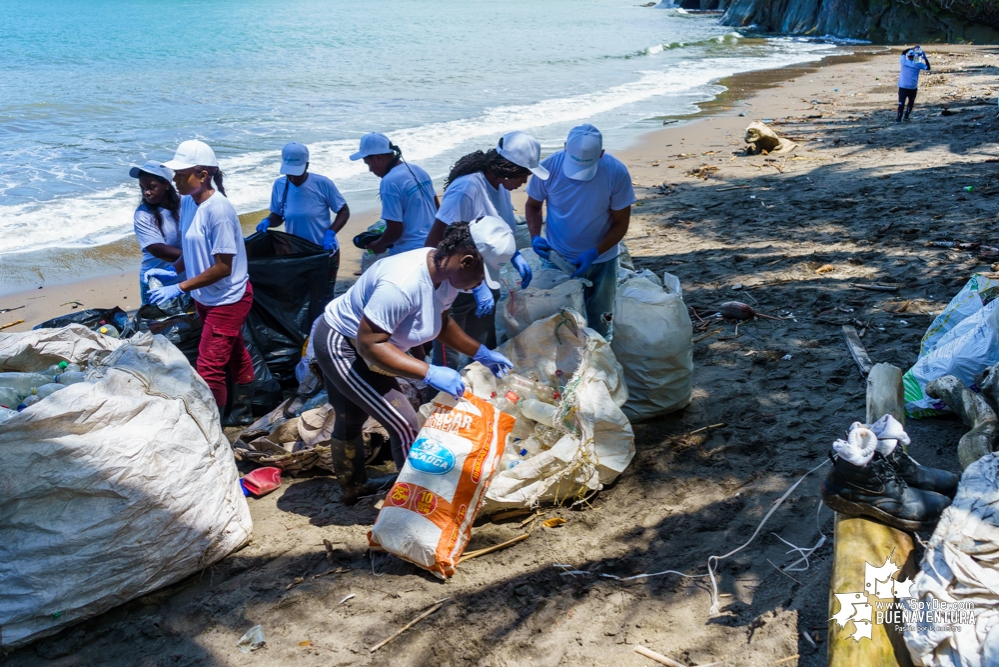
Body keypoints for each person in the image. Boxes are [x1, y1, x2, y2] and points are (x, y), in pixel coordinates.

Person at [316, 216, 516, 503]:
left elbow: (441, 322)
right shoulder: (403, 283)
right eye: (481, 277)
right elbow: (370, 344)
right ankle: (414, 505)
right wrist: (429, 372)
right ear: (467, 260)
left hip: (372, 345)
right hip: (343, 344)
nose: (479, 285)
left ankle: (355, 486)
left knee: (354, 415)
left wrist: (480, 353)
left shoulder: (445, 274)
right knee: (404, 424)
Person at [144, 140, 255, 426]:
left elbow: (222, 267)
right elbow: (194, 250)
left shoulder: (218, 211)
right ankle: (242, 411)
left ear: (203, 174)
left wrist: (179, 287)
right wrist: (175, 270)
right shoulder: (190, 203)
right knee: (233, 352)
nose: (175, 179)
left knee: (209, 366)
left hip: (227, 299)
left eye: (181, 173)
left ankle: (211, 424)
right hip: (205, 296)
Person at [424, 131, 547, 368]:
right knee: (448, 358)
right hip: (455, 288)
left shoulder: (500, 186)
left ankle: (480, 398)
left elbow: (497, 231)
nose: (525, 182)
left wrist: (514, 255)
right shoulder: (467, 189)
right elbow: (434, 243)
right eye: (524, 175)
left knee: (483, 349)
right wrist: (475, 286)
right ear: (510, 168)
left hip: (487, 278)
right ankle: (437, 402)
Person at [525, 124, 636, 339]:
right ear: (565, 147)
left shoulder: (616, 172)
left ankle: (599, 366)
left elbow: (621, 223)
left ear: (601, 154)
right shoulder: (547, 169)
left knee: (600, 322)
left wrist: (595, 252)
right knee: (558, 322)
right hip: (556, 257)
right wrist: (535, 236)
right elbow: (533, 206)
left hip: (602, 261)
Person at [257, 142, 349, 302]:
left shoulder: (322, 184)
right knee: (299, 296)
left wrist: (330, 233)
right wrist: (267, 221)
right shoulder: (280, 185)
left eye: (296, 173)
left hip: (324, 251)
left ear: (307, 165)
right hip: (296, 253)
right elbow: (278, 215)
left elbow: (343, 211)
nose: (292, 178)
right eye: (289, 174)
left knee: (324, 296)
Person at [349, 132, 439, 255]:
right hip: (435, 244)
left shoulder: (390, 182)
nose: (370, 169)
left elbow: (395, 230)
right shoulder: (418, 169)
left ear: (379, 158)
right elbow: (437, 209)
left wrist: (378, 244)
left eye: (369, 164)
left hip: (410, 251)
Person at [130, 160, 184, 305]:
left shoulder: (186, 203)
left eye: (151, 187)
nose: (146, 192)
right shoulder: (143, 214)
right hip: (157, 280)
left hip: (187, 277)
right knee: (158, 324)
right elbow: (158, 250)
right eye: (142, 188)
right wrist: (198, 258)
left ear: (166, 184)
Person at [898, 46, 931, 122]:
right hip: (912, 87)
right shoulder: (917, 63)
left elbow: (903, 52)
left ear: (908, 56)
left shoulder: (904, 62)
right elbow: (928, 67)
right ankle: (906, 116)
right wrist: (925, 58)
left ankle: (898, 119)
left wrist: (911, 48)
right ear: (914, 57)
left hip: (903, 86)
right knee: (911, 102)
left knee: (901, 103)